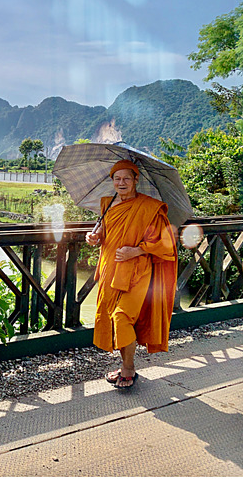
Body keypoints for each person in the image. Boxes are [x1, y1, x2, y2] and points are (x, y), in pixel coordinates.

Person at [85, 160, 178, 389]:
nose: (122, 183)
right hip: (111, 268)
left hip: (138, 270)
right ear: (112, 181)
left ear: (136, 180)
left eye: (127, 178)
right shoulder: (107, 203)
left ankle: (129, 369)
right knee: (111, 316)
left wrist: (135, 250)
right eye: (117, 179)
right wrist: (94, 238)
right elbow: (106, 236)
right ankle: (125, 365)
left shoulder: (150, 207)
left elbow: (165, 243)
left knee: (122, 316)